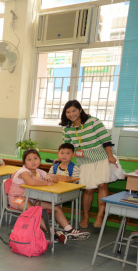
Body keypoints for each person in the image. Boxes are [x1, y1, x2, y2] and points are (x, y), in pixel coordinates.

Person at [9, 149, 89, 242]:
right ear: (24, 162)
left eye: (35, 158)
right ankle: (52, 232)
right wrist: (46, 183)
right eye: (29, 159)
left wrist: (50, 177)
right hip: (17, 199)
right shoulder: (23, 171)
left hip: (33, 199)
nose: (33, 161)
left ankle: (69, 230)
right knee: (33, 210)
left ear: (39, 160)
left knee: (56, 207)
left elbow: (56, 179)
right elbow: (31, 182)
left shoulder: (39, 171)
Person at [59, 100, 116, 228]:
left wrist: (110, 156)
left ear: (80, 110)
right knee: (88, 189)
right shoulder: (67, 128)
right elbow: (68, 146)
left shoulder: (93, 121)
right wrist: (63, 158)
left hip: (100, 158)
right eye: (68, 112)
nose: (71, 114)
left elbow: (106, 140)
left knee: (102, 185)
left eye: (74, 111)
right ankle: (85, 216)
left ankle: (100, 215)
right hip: (84, 161)